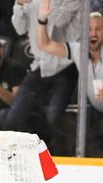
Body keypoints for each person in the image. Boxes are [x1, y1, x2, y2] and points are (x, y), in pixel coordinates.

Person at [7, 0, 81, 152]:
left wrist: (45, 4)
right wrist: (19, 5)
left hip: (65, 65)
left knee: (54, 118)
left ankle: (59, 159)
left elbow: (59, 20)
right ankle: (33, 153)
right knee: (14, 116)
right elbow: (19, 29)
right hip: (39, 65)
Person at [36, 0, 103, 155]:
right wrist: (42, 20)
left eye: (98, 29)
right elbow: (44, 45)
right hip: (95, 114)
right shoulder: (78, 50)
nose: (93, 33)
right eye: (89, 29)